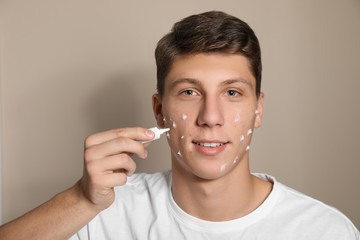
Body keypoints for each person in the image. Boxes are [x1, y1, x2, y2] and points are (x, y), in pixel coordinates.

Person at [0, 11, 359, 240]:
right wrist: (80, 199)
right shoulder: (103, 212)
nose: (211, 117)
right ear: (159, 111)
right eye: (189, 91)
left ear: (258, 110)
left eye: (232, 92)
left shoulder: (325, 231)